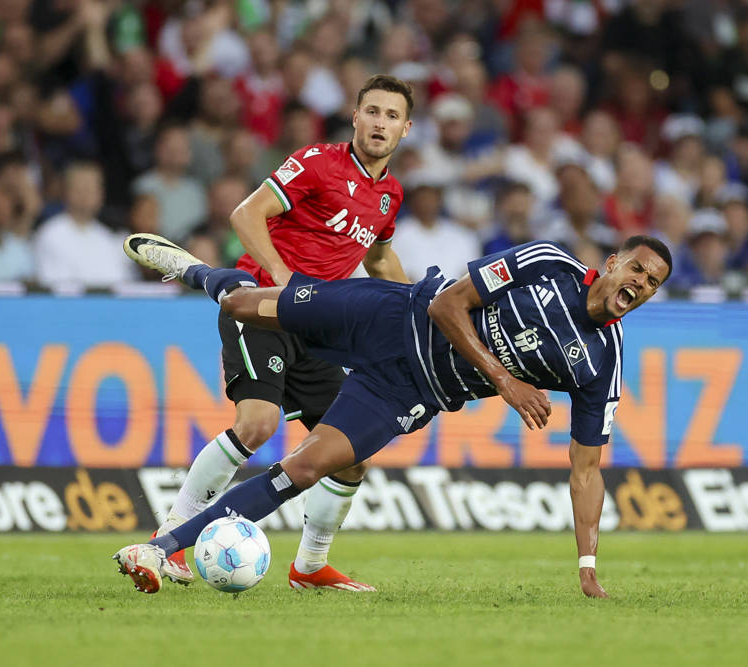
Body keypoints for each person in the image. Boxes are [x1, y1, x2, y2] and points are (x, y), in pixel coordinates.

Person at [114, 231, 673, 599]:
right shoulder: (547, 264)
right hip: (391, 316)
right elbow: (447, 303)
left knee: (305, 469)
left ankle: (161, 549)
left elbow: (587, 469)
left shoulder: (603, 362)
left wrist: (587, 566)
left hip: (406, 391)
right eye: (638, 270)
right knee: (243, 305)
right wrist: (505, 381)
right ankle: (192, 270)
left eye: (652, 284)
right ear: (612, 262)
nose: (640, 286)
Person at [146, 74, 415, 592]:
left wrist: (414, 312)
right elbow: (245, 215)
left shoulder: (389, 197)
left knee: (352, 454)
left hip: (315, 330)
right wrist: (283, 276)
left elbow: (380, 257)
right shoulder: (317, 162)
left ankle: (310, 568)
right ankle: (171, 538)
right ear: (355, 117)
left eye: (392, 116)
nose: (380, 123)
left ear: (406, 129)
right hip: (262, 307)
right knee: (258, 423)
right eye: (373, 112)